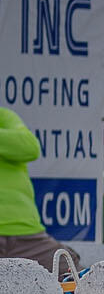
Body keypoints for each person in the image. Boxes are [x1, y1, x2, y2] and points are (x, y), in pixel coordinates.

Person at [0, 106, 62, 268]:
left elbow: (30, 147)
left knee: (76, 277)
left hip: (29, 235)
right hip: (27, 240)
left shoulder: (4, 115)